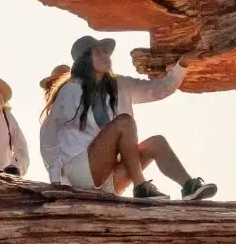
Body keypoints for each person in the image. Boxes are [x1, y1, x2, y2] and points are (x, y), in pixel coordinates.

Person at [38, 34, 216, 201]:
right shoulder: (72, 89)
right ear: (84, 60)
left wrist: (183, 63)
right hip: (81, 173)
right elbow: (50, 135)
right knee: (124, 122)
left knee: (157, 142)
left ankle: (189, 187)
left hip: (109, 180)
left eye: (106, 52)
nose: (105, 56)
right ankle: (140, 187)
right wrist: (56, 181)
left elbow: (160, 89)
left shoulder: (120, 84)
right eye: (97, 53)